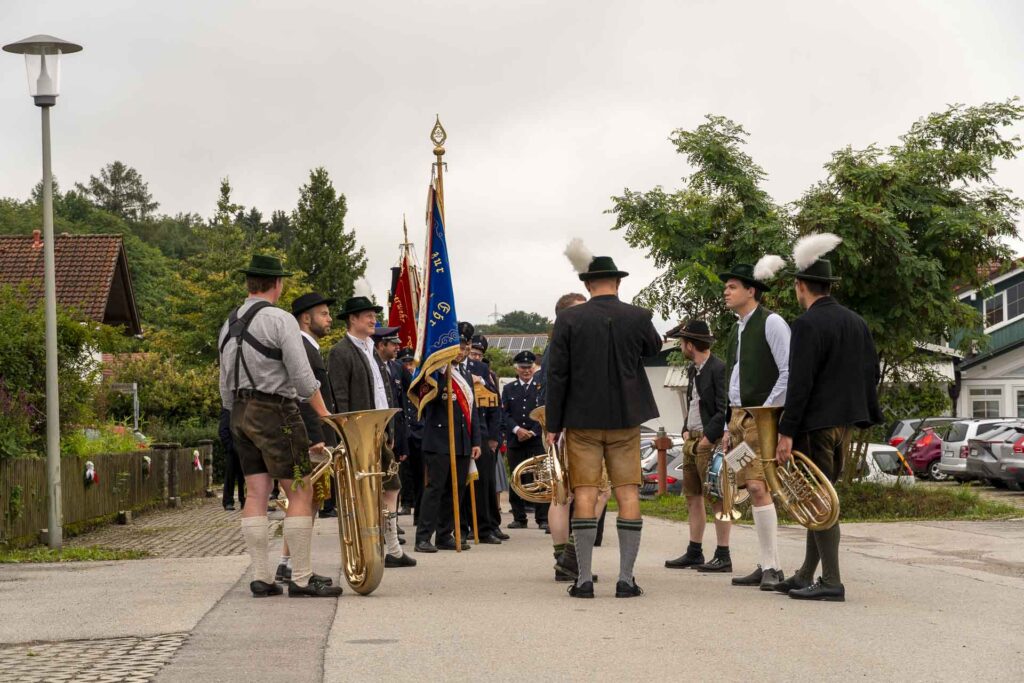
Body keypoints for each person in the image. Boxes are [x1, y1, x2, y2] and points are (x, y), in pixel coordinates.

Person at [218, 254, 342, 598]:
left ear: (249, 284)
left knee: (257, 492)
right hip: (276, 412)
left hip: (239, 412)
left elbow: (224, 381)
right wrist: (325, 415)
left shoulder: (228, 323)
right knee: (300, 490)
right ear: (277, 284)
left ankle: (261, 577)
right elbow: (303, 378)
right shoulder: (280, 319)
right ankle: (301, 578)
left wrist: (234, 416)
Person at [546, 248, 662, 598]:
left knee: (584, 494)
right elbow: (654, 348)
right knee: (627, 492)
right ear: (616, 283)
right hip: (626, 418)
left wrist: (554, 423)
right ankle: (626, 579)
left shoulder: (568, 320)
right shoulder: (639, 315)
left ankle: (583, 579)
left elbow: (557, 374)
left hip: (582, 419)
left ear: (589, 283)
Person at [773, 239, 883, 601]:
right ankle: (807, 572)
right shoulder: (856, 321)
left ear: (800, 286)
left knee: (817, 500)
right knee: (818, 497)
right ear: (829, 286)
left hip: (816, 424)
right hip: (845, 424)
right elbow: (871, 373)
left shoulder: (806, 324)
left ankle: (832, 580)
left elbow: (800, 384)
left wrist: (786, 431)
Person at [326, 299, 416, 569]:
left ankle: (393, 549)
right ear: (352, 320)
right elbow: (339, 397)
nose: (372, 320)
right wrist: (346, 435)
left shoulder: (372, 350)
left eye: (373, 316)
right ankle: (371, 547)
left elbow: (384, 391)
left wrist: (388, 429)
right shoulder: (340, 351)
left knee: (392, 486)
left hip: (378, 432)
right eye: (367, 316)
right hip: (358, 434)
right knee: (361, 492)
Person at [719, 262, 790, 591]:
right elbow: (734, 376)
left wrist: (767, 412)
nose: (726, 291)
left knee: (760, 487)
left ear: (751, 291)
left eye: (733, 286)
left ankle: (773, 568)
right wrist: (726, 424)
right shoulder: (738, 328)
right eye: (727, 287)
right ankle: (764, 562)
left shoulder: (771, 322)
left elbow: (788, 371)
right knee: (746, 486)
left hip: (759, 416)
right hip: (737, 418)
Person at [663, 320, 732, 573]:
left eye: (682, 342)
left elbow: (724, 407)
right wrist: (684, 427)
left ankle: (723, 553)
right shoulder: (694, 370)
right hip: (691, 439)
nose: (681, 346)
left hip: (708, 441)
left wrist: (708, 437)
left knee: (717, 496)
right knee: (693, 496)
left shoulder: (718, 368)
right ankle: (695, 551)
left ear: (690, 345)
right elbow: (694, 402)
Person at [414, 322, 482, 552]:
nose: (461, 351)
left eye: (464, 347)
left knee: (456, 490)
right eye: (458, 347)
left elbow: (474, 412)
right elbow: (426, 400)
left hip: (462, 441)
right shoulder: (436, 371)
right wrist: (443, 372)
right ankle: (423, 536)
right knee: (435, 489)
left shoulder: (466, 374)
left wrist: (476, 441)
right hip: (439, 440)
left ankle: (445, 534)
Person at [291, 292, 339, 521]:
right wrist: (315, 436)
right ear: (306, 319)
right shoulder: (301, 347)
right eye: (324, 314)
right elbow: (303, 394)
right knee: (306, 498)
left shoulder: (311, 347)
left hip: (319, 434)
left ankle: (295, 555)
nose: (329, 319)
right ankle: (289, 557)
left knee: (314, 500)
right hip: (313, 438)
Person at [461, 334, 503, 544]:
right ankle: (462, 527)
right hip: (461, 434)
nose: (471, 353)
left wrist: (494, 437)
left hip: (483, 434)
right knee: (462, 485)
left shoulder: (482, 370)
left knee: (484, 483)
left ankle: (485, 527)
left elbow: (495, 405)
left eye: (475, 350)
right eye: (467, 346)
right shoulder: (451, 367)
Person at [502, 351, 549, 530]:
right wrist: (517, 429)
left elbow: (544, 411)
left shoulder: (540, 387)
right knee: (516, 478)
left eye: (529, 367)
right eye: (523, 367)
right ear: (517, 368)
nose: (526, 370)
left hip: (535, 439)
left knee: (540, 478)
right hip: (516, 440)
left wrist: (532, 431)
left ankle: (542, 517)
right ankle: (519, 518)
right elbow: (504, 414)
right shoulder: (509, 388)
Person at [397, 347, 425, 520]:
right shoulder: (398, 378)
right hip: (404, 431)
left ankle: (420, 511)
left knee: (421, 473)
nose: (408, 366)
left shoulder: (421, 379)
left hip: (419, 430)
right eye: (405, 363)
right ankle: (406, 503)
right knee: (403, 473)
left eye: (411, 362)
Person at [218, 408, 245, 511]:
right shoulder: (227, 411)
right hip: (232, 450)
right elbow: (223, 431)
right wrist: (230, 446)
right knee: (230, 476)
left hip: (244, 450)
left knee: (245, 477)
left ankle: (244, 500)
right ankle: (228, 501)